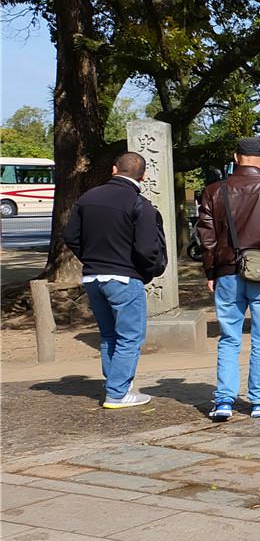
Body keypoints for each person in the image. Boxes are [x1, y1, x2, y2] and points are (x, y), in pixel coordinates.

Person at [196, 137, 260, 420]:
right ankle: (259, 401)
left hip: (226, 272)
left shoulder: (214, 191)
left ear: (235, 157)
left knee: (229, 338)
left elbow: (206, 236)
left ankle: (224, 400)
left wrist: (210, 272)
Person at [62, 152, 167, 409]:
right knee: (130, 336)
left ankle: (116, 385)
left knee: (109, 334)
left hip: (93, 276)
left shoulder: (88, 198)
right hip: (124, 277)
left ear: (112, 169)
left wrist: (90, 256)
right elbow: (145, 249)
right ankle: (118, 393)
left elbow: (71, 235)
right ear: (143, 176)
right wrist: (144, 272)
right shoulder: (139, 204)